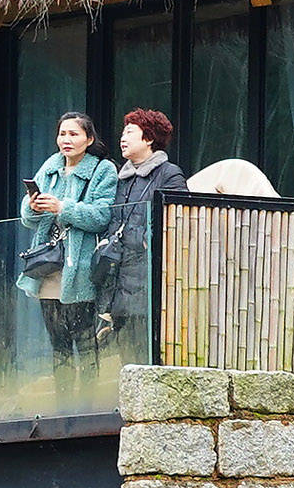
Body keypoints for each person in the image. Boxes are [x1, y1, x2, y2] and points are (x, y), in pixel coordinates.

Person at [17, 111, 115, 385]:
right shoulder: (50, 166)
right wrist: (34, 206)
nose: (66, 140)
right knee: (57, 343)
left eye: (74, 134)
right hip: (49, 267)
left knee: (85, 342)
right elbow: (27, 218)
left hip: (82, 268)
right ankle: (62, 406)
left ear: (89, 138)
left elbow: (102, 216)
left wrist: (63, 207)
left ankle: (87, 402)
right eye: (62, 134)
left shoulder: (102, 169)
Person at [97, 108, 186, 358]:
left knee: (146, 350)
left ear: (148, 138)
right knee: (125, 354)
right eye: (122, 133)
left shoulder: (169, 174)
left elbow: (178, 225)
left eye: (130, 132)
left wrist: (142, 241)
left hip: (149, 278)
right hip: (118, 278)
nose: (122, 138)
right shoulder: (121, 178)